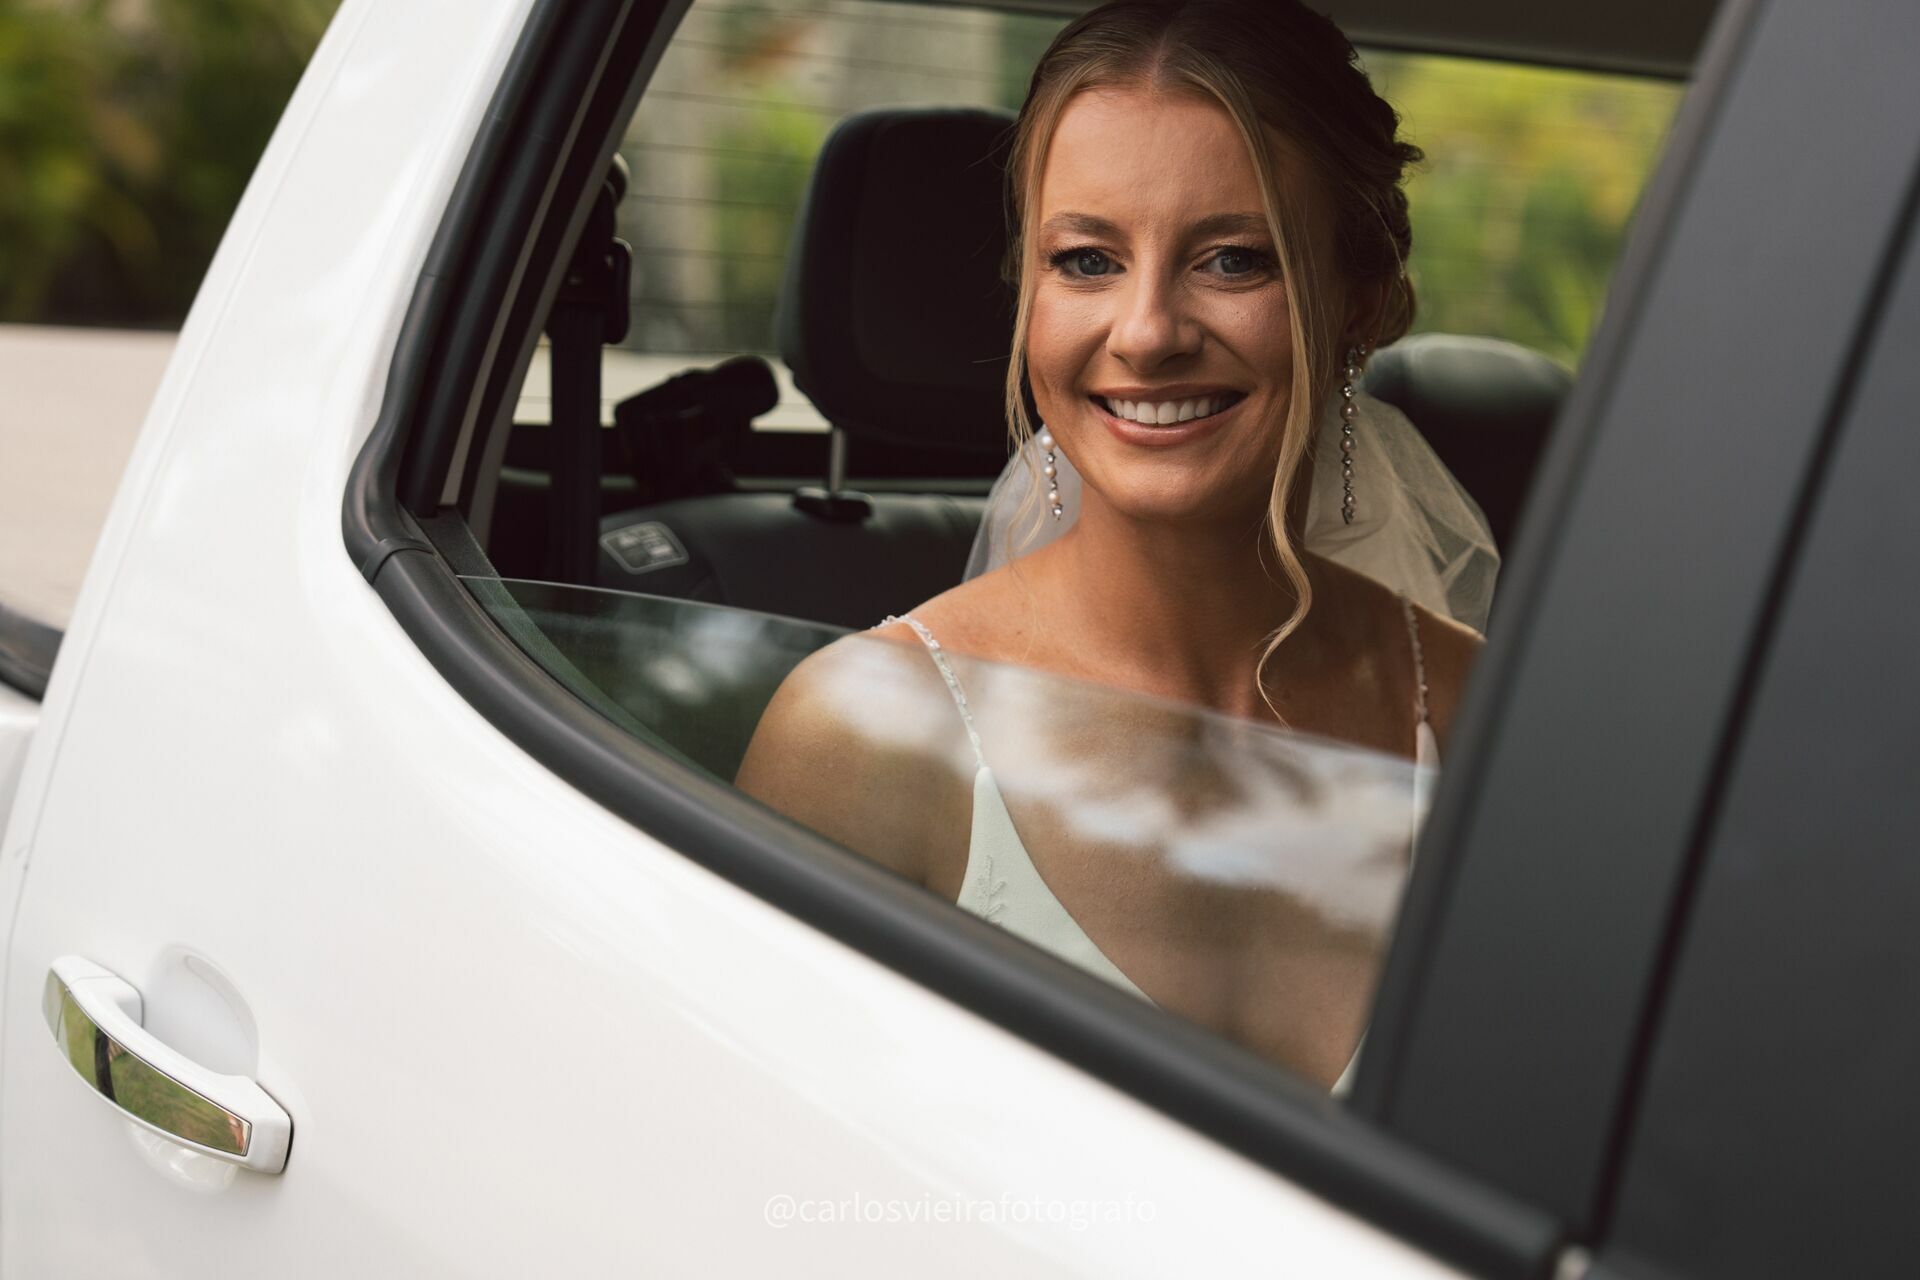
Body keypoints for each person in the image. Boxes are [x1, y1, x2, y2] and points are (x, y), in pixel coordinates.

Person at [737, 0, 1495, 1091]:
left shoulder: (1469, 711)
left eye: (1234, 259)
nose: (1145, 332)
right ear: (1026, 296)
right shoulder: (861, 736)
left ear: (1359, 304)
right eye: (1086, 259)